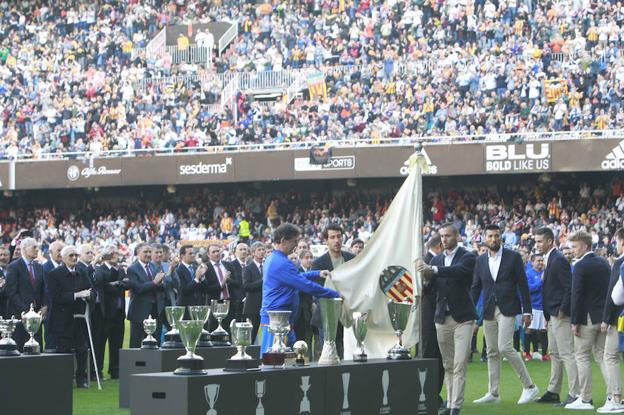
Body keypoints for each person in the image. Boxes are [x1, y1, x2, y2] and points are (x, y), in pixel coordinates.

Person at [471, 224, 539, 405]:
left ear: (501, 237)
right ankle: (493, 393)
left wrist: (527, 311)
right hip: (488, 309)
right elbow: (476, 287)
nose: (493, 239)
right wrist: (470, 312)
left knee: (505, 347)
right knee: (492, 351)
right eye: (490, 236)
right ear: (485, 239)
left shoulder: (513, 257)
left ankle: (530, 386)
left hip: (508, 308)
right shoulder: (480, 261)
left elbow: (523, 285)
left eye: (496, 236)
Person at [416, 222, 477, 415]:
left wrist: (433, 270)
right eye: (441, 236)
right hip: (442, 318)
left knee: (459, 364)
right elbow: (430, 288)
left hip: (463, 318)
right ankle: (450, 403)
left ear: (457, 236)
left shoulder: (467, 256)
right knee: (448, 365)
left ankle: (455, 407)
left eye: (448, 236)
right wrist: (423, 279)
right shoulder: (437, 260)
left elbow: (459, 271)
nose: (444, 239)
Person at [260, 223, 339, 355]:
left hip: (281, 319)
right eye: (294, 241)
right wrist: (334, 294)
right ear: (283, 240)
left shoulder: (274, 259)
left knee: (286, 358)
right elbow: (305, 285)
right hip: (276, 322)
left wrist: (316, 273)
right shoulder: (282, 263)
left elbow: (294, 277)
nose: (295, 245)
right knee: (274, 360)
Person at [566, 231, 611, 410]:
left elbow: (576, 295)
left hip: (586, 319)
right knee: (603, 357)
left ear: (585, 246)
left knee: (582, 356)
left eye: (575, 246)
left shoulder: (580, 266)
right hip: (603, 318)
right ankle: (613, 396)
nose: (573, 250)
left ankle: (585, 399)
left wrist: (575, 321)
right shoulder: (604, 263)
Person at [533, 227, 579, 406]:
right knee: (555, 353)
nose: (537, 244)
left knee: (566, 354)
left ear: (550, 241)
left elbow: (569, 286)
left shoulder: (558, 259)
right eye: (536, 241)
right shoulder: (551, 258)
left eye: (539, 241)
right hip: (552, 314)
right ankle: (553, 391)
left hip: (559, 314)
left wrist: (562, 309)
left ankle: (575, 394)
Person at [47, 245, 95, 388]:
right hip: (63, 319)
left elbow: (92, 290)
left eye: (76, 255)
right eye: (71, 256)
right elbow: (55, 297)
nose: (74, 258)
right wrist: (76, 295)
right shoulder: (54, 274)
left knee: (82, 348)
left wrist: (89, 297)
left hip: (79, 317)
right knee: (64, 349)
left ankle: (81, 379)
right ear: (63, 258)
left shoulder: (82, 271)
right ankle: (64, 379)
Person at [311, 224, 355, 359]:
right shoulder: (319, 263)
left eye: (339, 236)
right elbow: (318, 291)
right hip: (327, 315)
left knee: (346, 354)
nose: (336, 240)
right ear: (326, 240)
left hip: (347, 315)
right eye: (332, 237)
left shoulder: (351, 258)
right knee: (328, 356)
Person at [5, 237, 47, 351]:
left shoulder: (39, 267)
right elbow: (11, 292)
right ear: (24, 248)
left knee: (36, 350)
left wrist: (45, 306)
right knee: (20, 350)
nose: (37, 249)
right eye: (34, 247)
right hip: (19, 316)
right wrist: (27, 311)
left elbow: (43, 290)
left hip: (36, 319)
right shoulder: (14, 266)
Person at [126, 243, 171, 348]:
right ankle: (134, 364)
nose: (148, 254)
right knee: (136, 344)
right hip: (139, 312)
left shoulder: (153, 266)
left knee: (155, 343)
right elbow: (137, 288)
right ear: (138, 254)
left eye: (149, 252)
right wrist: (155, 283)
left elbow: (162, 285)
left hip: (155, 311)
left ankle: (154, 364)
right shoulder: (132, 269)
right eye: (145, 252)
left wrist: (161, 283)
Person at [599, 227, 624, 413]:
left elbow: (614, 296)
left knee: (610, 356)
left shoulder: (620, 263)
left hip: (619, 319)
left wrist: (606, 319)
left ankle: (616, 398)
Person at [93, 245, 127, 380]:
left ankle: (115, 370)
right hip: (104, 313)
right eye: (113, 253)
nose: (116, 255)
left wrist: (115, 284)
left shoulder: (120, 270)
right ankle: (98, 370)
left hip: (119, 313)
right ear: (107, 255)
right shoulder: (100, 269)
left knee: (117, 343)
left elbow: (127, 284)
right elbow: (102, 284)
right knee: (100, 343)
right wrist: (119, 284)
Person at [421, 233, 445, 408]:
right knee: (432, 355)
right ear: (439, 246)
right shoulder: (428, 262)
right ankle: (430, 394)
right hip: (431, 315)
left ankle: (431, 393)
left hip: (434, 314)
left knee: (436, 355)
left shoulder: (426, 260)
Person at [77, 244, 101, 381]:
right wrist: (93, 264)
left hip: (93, 309)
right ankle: (85, 372)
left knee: (93, 340)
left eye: (92, 252)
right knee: (84, 342)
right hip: (81, 311)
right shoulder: (81, 267)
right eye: (88, 253)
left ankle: (91, 370)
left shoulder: (91, 268)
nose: (91, 255)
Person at [205, 243, 238, 332]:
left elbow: (237, 283)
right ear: (208, 254)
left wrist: (228, 280)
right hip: (215, 303)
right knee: (214, 330)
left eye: (218, 251)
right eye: (213, 252)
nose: (216, 253)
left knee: (229, 329)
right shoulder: (206, 267)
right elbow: (206, 289)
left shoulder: (228, 265)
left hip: (229, 302)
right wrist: (221, 283)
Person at [524, 254, 549, 361]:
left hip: (544, 306)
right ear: (532, 262)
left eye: (541, 260)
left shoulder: (546, 273)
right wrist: (541, 281)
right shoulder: (528, 273)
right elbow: (529, 289)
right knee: (529, 330)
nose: (540, 262)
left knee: (543, 330)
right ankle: (527, 353)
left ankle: (544, 354)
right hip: (533, 306)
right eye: (538, 260)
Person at [42, 240, 65, 350]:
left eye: (63, 250)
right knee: (51, 345)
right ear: (50, 252)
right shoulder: (45, 268)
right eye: (59, 250)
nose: (61, 253)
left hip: (65, 314)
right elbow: (47, 291)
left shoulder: (66, 267)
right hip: (51, 313)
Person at [243, 242, 266, 343]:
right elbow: (246, 286)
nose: (262, 252)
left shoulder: (267, 267)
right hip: (252, 307)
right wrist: (262, 281)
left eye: (263, 250)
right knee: (250, 337)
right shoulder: (247, 268)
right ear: (253, 253)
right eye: (259, 250)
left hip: (265, 306)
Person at [226, 243, 249, 321]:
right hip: (237, 301)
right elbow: (231, 283)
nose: (243, 251)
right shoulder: (230, 265)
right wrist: (242, 297)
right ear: (235, 252)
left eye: (245, 249)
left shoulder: (251, 265)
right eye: (240, 249)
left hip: (250, 301)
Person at [0, 246, 8, 317]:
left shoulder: (13, 269)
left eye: (5, 255)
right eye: (0, 255)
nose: (2, 258)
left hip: (11, 309)